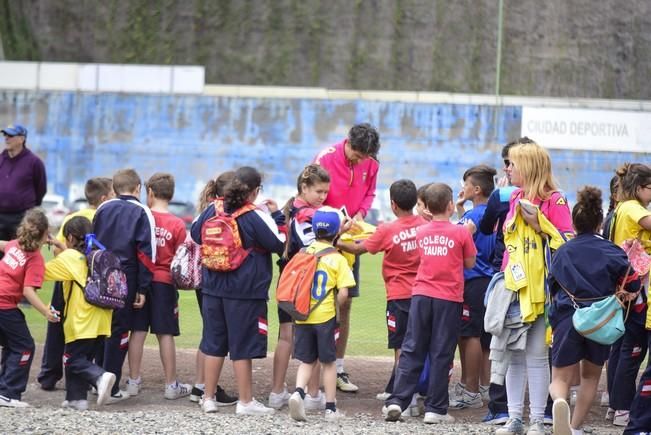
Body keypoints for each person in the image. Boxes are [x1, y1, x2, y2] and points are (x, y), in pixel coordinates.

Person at [191, 166, 285, 415]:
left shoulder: (213, 208)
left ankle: (208, 398)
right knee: (242, 345)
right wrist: (277, 218)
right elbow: (277, 244)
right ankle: (245, 401)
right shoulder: (254, 214)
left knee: (213, 343)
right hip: (245, 289)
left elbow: (195, 234)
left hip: (212, 286)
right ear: (255, 191)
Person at [548, 186, 640, 435]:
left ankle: (559, 403)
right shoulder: (612, 251)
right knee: (590, 377)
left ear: (574, 223)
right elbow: (633, 283)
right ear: (600, 222)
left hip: (568, 318)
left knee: (559, 379)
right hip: (601, 321)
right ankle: (575, 428)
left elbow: (552, 288)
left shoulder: (563, 252)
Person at [496, 140, 574, 435]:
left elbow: (566, 243)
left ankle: (538, 421)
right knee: (512, 352)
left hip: (542, 290)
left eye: (512, 163)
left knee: (537, 355)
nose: (508, 168)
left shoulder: (556, 200)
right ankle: (514, 418)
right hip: (513, 286)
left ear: (527, 166)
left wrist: (540, 224)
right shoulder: (515, 196)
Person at [384, 183, 477, 425]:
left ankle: (397, 401)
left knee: (413, 347)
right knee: (441, 351)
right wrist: (467, 232)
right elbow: (469, 263)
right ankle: (435, 408)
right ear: (449, 205)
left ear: (427, 206)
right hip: (448, 298)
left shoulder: (421, 232)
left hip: (420, 294)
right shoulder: (461, 233)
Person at [338, 179, 425, 410]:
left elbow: (358, 248)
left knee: (400, 347)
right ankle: (417, 394)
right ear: (415, 202)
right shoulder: (424, 224)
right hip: (423, 293)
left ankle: (403, 398)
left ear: (393, 204)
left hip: (398, 296)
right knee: (419, 343)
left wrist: (336, 241)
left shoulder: (388, 229)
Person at [314, 122, 380, 392]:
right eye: (359, 155)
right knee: (319, 303)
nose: (362, 161)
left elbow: (369, 192)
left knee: (346, 303)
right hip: (326, 238)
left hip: (351, 239)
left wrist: (362, 213)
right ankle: (314, 366)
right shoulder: (326, 157)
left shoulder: (371, 162)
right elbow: (313, 195)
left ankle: (338, 367)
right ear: (348, 143)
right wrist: (334, 221)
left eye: (367, 156)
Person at [37, 177, 114, 390]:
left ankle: (49, 376)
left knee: (58, 329)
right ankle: (89, 382)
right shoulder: (106, 216)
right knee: (91, 337)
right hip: (99, 287)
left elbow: (59, 253)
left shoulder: (74, 217)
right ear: (104, 197)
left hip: (69, 282)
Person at [269, 164, 331, 410]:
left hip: (286, 278)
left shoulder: (287, 210)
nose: (323, 197)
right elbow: (314, 247)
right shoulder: (308, 215)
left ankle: (276, 393)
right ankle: (314, 395)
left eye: (326, 192)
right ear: (303, 188)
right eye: (318, 191)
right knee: (312, 336)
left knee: (285, 337)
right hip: (306, 283)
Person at [93, 168, 156, 403]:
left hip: (101, 274)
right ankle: (111, 385)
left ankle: (96, 377)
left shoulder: (102, 208)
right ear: (138, 188)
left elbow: (92, 244)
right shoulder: (142, 212)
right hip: (125, 277)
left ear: (115, 188)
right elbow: (146, 253)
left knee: (101, 326)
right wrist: (142, 287)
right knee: (119, 330)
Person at [126, 173, 191, 399]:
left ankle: (133, 381)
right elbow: (181, 259)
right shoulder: (177, 224)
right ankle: (171, 385)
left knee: (138, 331)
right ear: (171, 195)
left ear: (150, 192)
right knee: (165, 334)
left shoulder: (142, 217)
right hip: (165, 283)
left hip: (141, 283)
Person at [288, 207, 355, 422]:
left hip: (302, 315)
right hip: (324, 317)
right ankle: (331, 408)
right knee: (328, 363)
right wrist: (336, 305)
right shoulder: (338, 259)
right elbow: (344, 293)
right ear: (337, 233)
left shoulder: (303, 253)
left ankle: (299, 392)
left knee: (307, 361)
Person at [44, 216, 118, 410]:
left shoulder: (69, 258)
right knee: (81, 358)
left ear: (69, 237)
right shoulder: (98, 252)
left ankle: (100, 376)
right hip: (103, 319)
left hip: (81, 320)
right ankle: (76, 400)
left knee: (73, 359)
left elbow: (42, 272)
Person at [476, 141, 518, 425]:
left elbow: (486, 227)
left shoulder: (502, 194)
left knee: (501, 341)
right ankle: (547, 410)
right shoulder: (555, 195)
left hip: (508, 274)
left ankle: (501, 407)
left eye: (510, 163)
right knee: (540, 348)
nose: (506, 168)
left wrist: (501, 196)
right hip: (541, 278)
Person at [606, 163, 651, 427]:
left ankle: (616, 405)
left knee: (624, 348)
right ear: (638, 188)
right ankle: (623, 407)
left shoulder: (622, 207)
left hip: (627, 285)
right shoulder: (633, 207)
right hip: (636, 288)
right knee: (633, 349)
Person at [0, 209, 59, 407]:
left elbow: (5, 245)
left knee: (11, 344)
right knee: (24, 346)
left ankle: (3, 388)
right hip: (4, 306)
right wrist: (46, 312)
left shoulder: (14, 245)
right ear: (45, 233)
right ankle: (9, 393)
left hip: (3, 305)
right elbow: (28, 291)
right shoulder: (35, 259)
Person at [189, 170, 238, 406]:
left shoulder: (208, 210)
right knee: (214, 337)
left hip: (205, 276)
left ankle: (200, 387)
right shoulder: (227, 210)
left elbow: (194, 233)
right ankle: (204, 388)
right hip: (217, 277)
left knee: (210, 334)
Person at [451, 165, 497, 409]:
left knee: (468, 335)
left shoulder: (474, 216)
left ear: (476, 189)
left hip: (472, 280)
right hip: (490, 281)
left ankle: (469, 391)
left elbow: (456, 241)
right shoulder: (495, 213)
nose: (463, 188)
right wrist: (461, 210)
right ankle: (483, 386)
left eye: (466, 184)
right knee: (485, 339)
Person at [0, 124, 47, 257]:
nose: (7, 139)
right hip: (0, 215)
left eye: (11, 135)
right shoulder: (1, 159)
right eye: (5, 135)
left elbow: (41, 188)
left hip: (21, 217)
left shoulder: (34, 162)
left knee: (19, 254)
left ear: (22, 139)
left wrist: (28, 206)